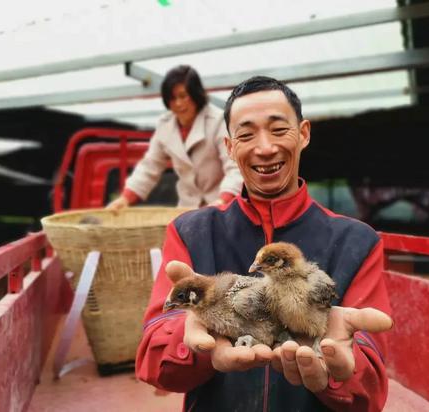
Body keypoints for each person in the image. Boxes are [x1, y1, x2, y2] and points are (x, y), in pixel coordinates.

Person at [136, 76, 393, 411]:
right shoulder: (192, 231)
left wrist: (343, 371)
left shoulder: (356, 242)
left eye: (278, 129)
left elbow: (369, 391)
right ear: (229, 147)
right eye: (245, 134)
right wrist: (196, 342)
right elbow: (152, 359)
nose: (265, 147)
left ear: (303, 134)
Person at [107, 65, 243, 210]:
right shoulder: (165, 126)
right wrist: (125, 198)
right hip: (187, 209)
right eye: (172, 98)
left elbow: (235, 167)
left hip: (223, 208)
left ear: (196, 94)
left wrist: (223, 200)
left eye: (183, 96)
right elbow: (150, 166)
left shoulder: (218, 121)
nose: (178, 103)